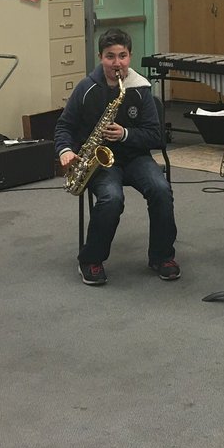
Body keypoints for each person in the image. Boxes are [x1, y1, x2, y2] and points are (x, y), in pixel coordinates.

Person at [55, 29, 178, 285]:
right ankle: (90, 259)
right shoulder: (86, 88)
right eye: (110, 57)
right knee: (112, 198)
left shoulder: (140, 88)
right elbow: (64, 126)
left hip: (135, 157)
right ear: (101, 57)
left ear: (130, 56)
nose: (117, 63)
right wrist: (65, 150)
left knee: (161, 189)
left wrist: (125, 134)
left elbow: (156, 137)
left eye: (122, 56)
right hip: (100, 162)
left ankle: (162, 256)